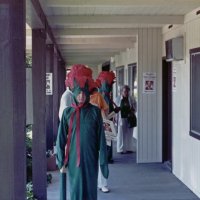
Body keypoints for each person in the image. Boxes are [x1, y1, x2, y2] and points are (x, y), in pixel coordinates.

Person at [56, 64, 109, 200]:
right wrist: (61, 161)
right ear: (73, 92)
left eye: (83, 92)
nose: (81, 96)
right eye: (78, 92)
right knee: (76, 189)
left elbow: (101, 138)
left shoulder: (95, 111)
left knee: (90, 188)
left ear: (87, 92)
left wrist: (103, 160)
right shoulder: (68, 113)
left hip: (91, 157)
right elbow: (61, 139)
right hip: (73, 158)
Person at [90, 84, 110, 193]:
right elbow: (106, 110)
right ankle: (102, 184)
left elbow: (105, 110)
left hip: (99, 129)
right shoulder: (97, 96)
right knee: (101, 157)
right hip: (94, 129)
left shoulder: (97, 96)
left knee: (100, 156)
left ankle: (100, 183)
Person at [97, 71, 116, 163]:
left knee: (107, 140)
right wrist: (115, 112)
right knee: (107, 140)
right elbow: (106, 115)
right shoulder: (105, 96)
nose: (111, 86)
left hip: (106, 121)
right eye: (111, 84)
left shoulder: (103, 94)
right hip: (106, 122)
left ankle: (106, 157)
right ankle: (107, 158)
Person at [115, 85, 137, 154]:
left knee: (129, 133)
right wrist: (115, 117)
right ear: (121, 92)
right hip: (121, 118)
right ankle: (120, 149)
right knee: (121, 133)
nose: (126, 93)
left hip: (130, 118)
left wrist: (133, 110)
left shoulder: (132, 99)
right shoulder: (118, 99)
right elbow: (115, 110)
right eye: (124, 91)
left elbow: (135, 107)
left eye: (127, 91)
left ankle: (129, 148)